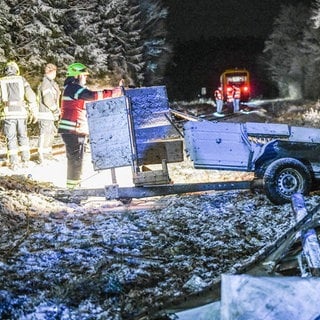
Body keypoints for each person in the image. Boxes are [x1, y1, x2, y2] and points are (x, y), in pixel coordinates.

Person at [58, 62, 122, 189]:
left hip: (74, 130)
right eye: (84, 75)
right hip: (73, 131)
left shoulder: (72, 88)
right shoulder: (73, 88)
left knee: (76, 162)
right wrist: (115, 92)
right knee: (76, 162)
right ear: (77, 76)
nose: (85, 78)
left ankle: (74, 188)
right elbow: (92, 95)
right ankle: (73, 190)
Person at [0, 61, 38, 170]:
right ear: (16, 70)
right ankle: (25, 160)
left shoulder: (1, 82)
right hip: (21, 114)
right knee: (23, 136)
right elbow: (30, 96)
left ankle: (14, 162)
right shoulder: (22, 80)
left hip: (8, 114)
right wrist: (34, 110)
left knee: (11, 138)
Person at [37, 63, 61, 163]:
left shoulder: (51, 83)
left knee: (50, 135)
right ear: (50, 71)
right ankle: (42, 156)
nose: (55, 73)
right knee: (44, 135)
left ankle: (47, 154)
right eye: (54, 71)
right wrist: (55, 110)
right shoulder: (46, 83)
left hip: (49, 115)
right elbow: (47, 100)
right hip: (45, 114)